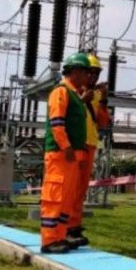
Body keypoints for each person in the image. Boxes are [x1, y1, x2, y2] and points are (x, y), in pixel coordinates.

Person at [40, 52, 91, 254]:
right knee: (55, 197)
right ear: (76, 72)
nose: (88, 77)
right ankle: (49, 240)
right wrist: (66, 146)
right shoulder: (60, 92)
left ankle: (60, 237)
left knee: (66, 200)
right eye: (86, 73)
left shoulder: (75, 95)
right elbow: (57, 123)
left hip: (71, 157)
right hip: (60, 155)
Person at [66, 53, 110, 248]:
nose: (93, 77)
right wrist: (83, 100)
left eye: (96, 73)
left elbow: (102, 122)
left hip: (90, 144)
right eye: (90, 72)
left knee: (81, 188)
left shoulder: (97, 94)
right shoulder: (72, 91)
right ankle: (65, 227)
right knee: (71, 187)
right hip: (75, 144)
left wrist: (103, 101)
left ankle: (74, 226)